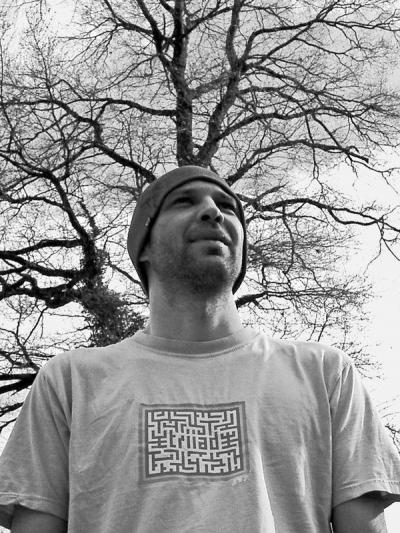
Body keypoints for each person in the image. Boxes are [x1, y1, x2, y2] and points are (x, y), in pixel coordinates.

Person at [0, 165, 399, 533]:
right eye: (183, 201)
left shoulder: (324, 374)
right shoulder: (70, 382)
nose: (213, 212)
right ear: (144, 245)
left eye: (227, 206)